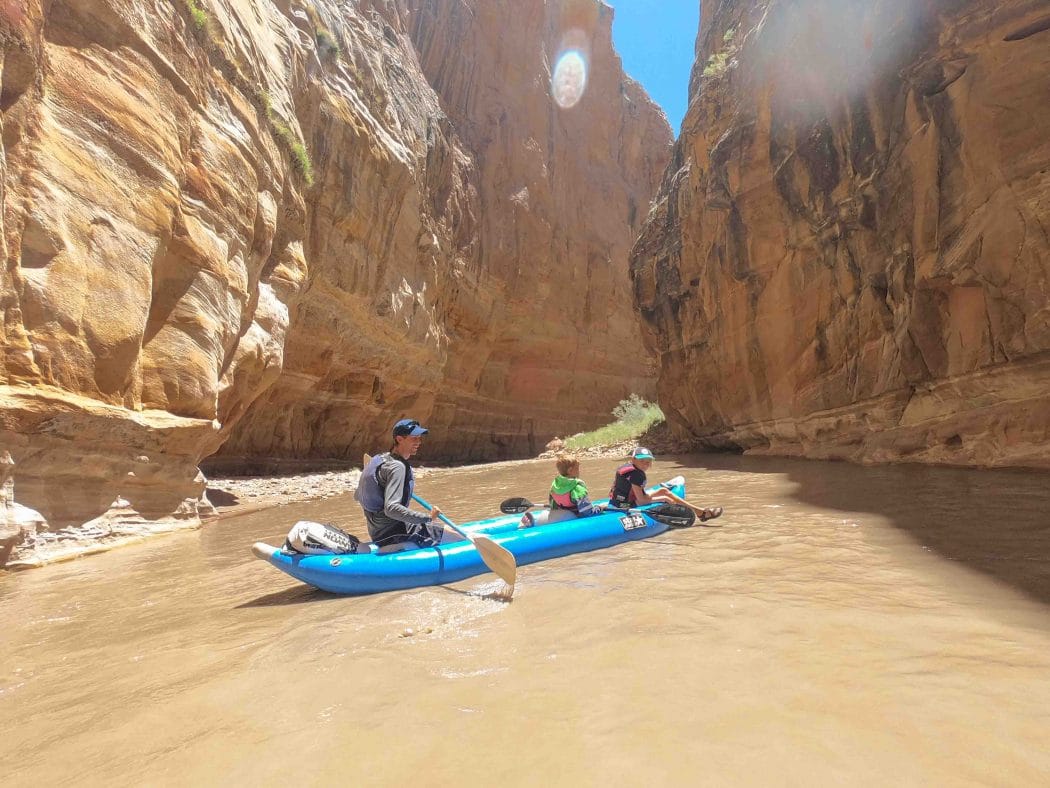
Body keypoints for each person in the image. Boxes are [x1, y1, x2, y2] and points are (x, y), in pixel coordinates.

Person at [354, 418, 453, 549]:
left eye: (419, 438)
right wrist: (428, 517)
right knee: (456, 538)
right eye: (414, 438)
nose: (419, 442)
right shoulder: (397, 467)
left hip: (377, 533)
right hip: (394, 533)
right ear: (399, 439)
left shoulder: (379, 459)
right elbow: (392, 509)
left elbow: (357, 496)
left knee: (445, 530)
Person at [608, 447, 723, 521]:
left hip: (619, 501)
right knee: (664, 496)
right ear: (633, 460)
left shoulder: (628, 467)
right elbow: (642, 501)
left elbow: (638, 494)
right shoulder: (636, 474)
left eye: (648, 462)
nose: (645, 464)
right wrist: (662, 499)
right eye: (641, 461)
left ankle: (700, 511)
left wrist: (662, 496)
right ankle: (702, 513)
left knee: (664, 491)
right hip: (623, 505)